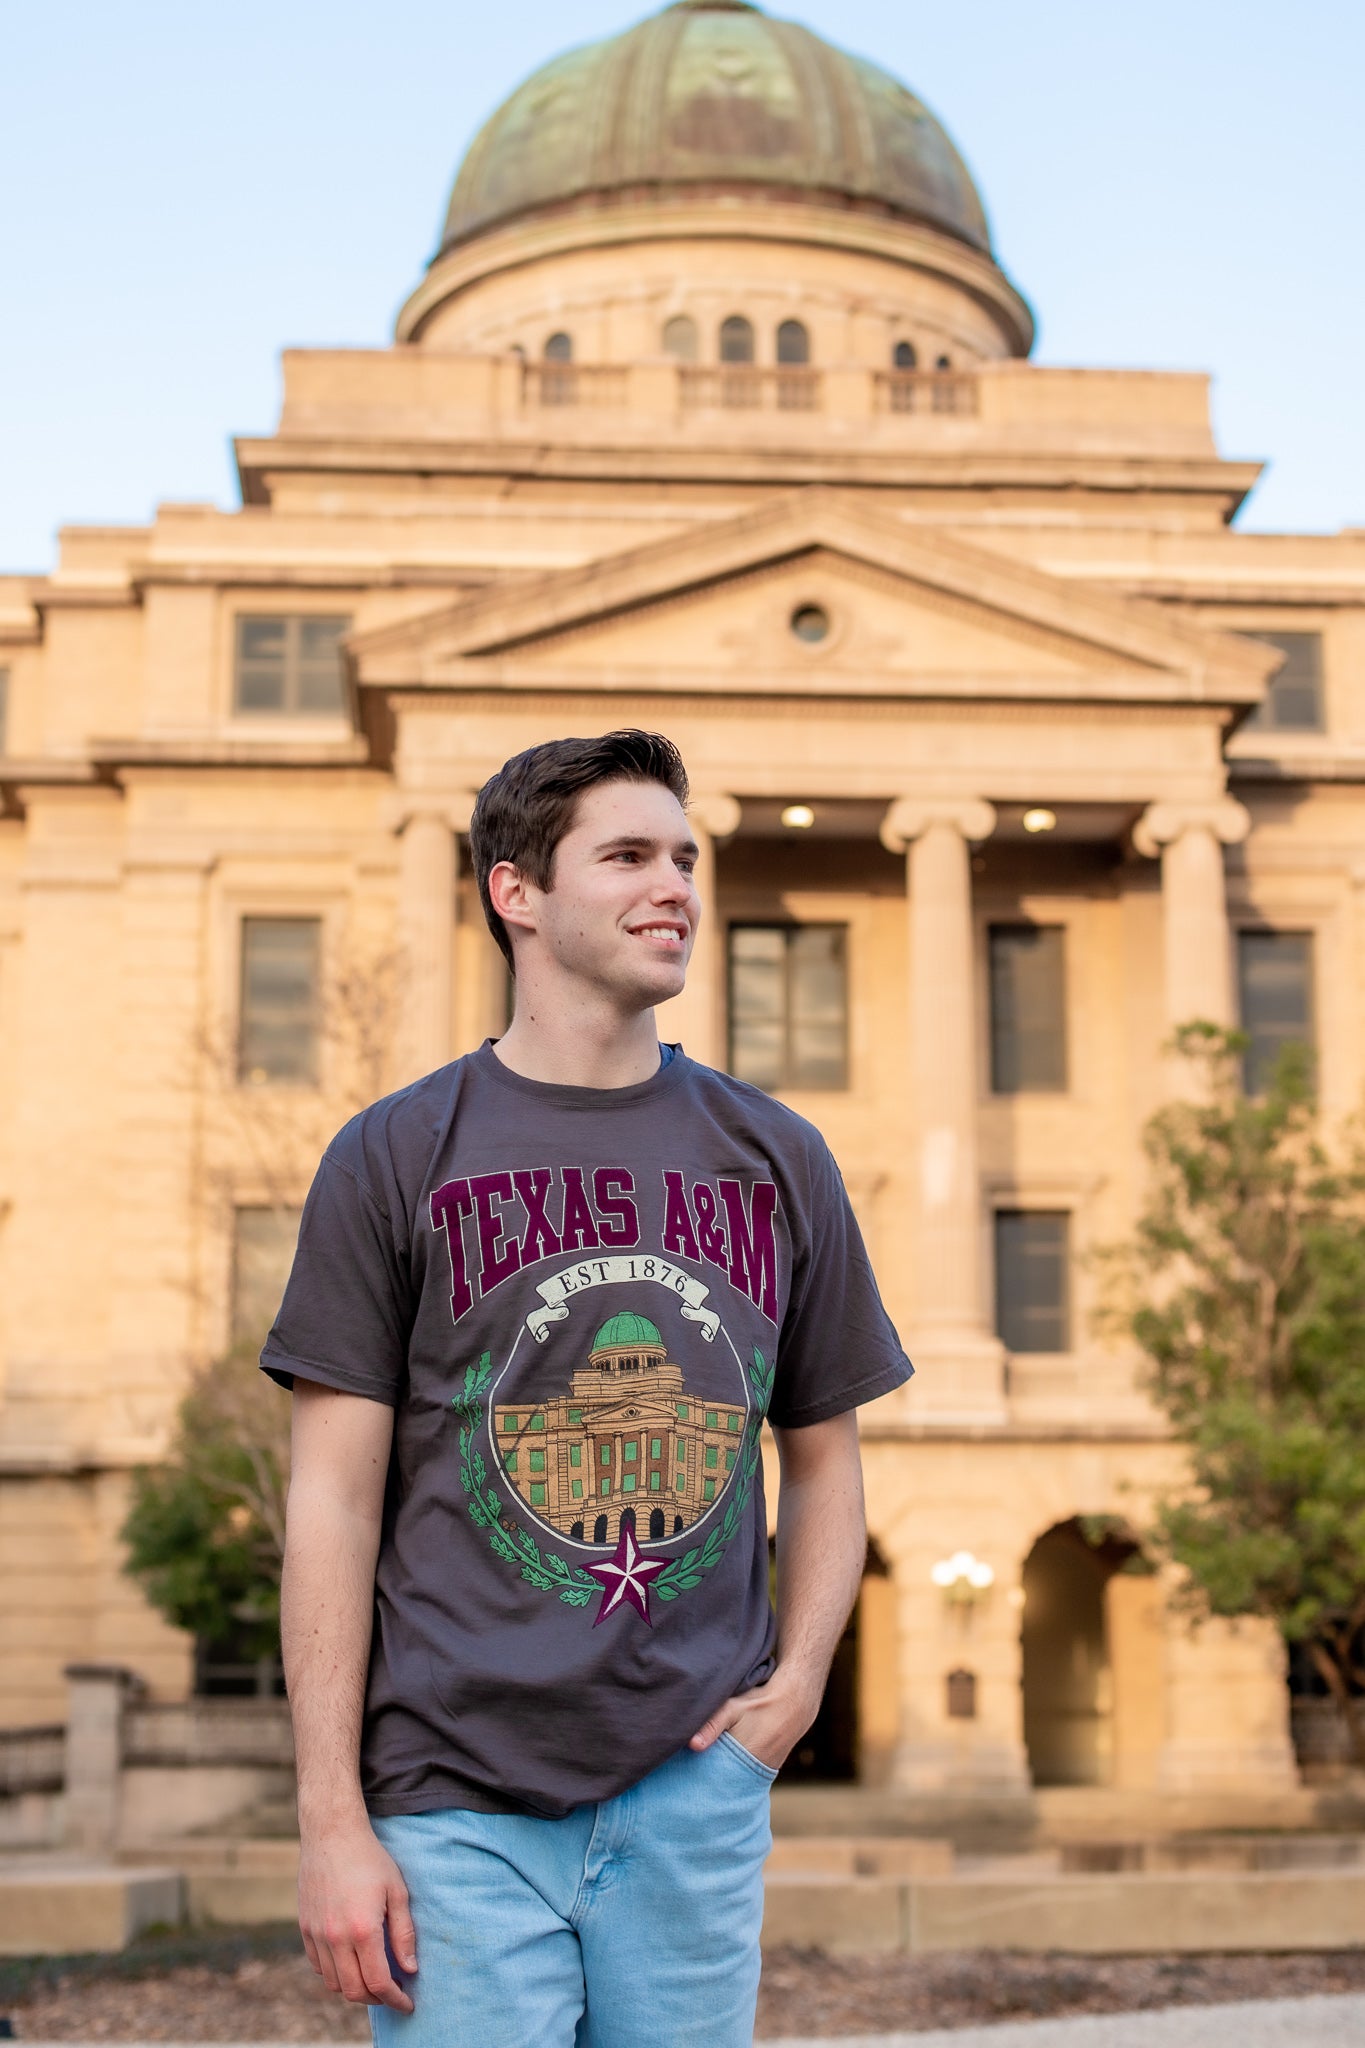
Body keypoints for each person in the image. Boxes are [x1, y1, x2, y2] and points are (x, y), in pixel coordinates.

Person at [264, 729, 912, 2048]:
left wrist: (792, 1695)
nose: (673, 885)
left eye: (683, 857)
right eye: (626, 856)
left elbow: (826, 1457)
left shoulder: (774, 1155)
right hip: (453, 1796)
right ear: (518, 893)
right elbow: (331, 1502)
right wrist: (330, 1817)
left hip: (694, 1790)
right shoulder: (393, 1154)